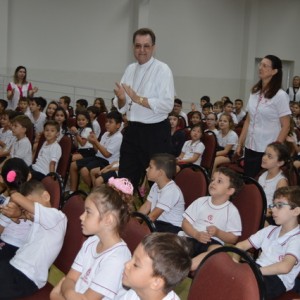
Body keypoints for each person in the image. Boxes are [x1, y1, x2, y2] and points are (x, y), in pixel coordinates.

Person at [50, 178, 133, 300]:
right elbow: (70, 279)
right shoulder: (92, 241)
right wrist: (69, 294)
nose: (81, 217)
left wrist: (57, 296)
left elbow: (71, 287)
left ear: (108, 220)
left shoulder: (117, 259)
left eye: (88, 212)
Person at [113, 27, 174, 189]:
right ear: (133, 47)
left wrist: (138, 99)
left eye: (146, 46)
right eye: (138, 46)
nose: (142, 50)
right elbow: (121, 107)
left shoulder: (163, 70)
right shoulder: (130, 69)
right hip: (133, 131)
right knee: (124, 180)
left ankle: (158, 213)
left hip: (155, 133)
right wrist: (121, 99)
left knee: (160, 183)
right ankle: (124, 212)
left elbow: (167, 105)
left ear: (153, 47)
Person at [0, 176, 67, 298]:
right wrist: (21, 213)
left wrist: (17, 200)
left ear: (46, 196)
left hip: (26, 276)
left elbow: (16, 197)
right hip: (14, 267)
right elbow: (28, 216)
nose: (27, 210)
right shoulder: (38, 220)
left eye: (29, 204)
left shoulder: (57, 217)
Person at [234, 186, 300, 299]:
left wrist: (255, 271)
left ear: (296, 211)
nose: (273, 209)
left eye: (279, 206)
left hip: (277, 279)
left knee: (245, 290)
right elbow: (241, 245)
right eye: (273, 205)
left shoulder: (297, 238)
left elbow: (285, 267)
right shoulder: (270, 230)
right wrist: (234, 264)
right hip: (258, 269)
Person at [236, 55, 291, 178]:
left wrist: (275, 150)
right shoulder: (254, 92)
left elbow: (286, 126)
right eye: (260, 64)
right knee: (249, 181)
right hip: (250, 145)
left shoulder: (280, 95)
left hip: (266, 150)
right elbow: (248, 120)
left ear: (274, 71)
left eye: (265, 66)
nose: (260, 68)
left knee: (261, 184)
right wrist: (240, 143)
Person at [178, 167, 243, 270]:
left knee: (218, 250)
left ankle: (188, 266)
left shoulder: (232, 211)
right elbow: (185, 223)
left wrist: (218, 233)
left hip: (212, 242)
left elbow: (233, 238)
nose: (213, 183)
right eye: (213, 179)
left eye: (219, 181)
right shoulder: (201, 201)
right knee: (172, 243)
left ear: (230, 190)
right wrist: (196, 234)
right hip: (191, 237)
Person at [119, 232, 191, 300]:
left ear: (156, 282)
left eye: (136, 265)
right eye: (132, 257)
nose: (126, 264)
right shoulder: (136, 292)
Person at [69, 111, 123, 193]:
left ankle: (95, 190)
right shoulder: (105, 134)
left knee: (84, 171)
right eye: (106, 121)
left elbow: (107, 154)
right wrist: (93, 142)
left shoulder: (118, 137)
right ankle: (72, 191)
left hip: (107, 162)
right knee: (73, 165)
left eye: (110, 122)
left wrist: (95, 142)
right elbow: (97, 150)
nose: (107, 124)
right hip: (98, 158)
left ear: (118, 125)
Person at [138, 153, 185, 233]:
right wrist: (133, 220)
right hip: (159, 224)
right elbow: (146, 206)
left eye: (150, 167)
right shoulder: (156, 185)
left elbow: (153, 216)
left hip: (172, 229)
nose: (146, 169)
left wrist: (138, 230)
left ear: (160, 173)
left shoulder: (171, 191)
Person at [0, 158, 32, 261]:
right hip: (26, 248)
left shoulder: (10, 203)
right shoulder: (34, 200)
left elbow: (0, 229)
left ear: (2, 179)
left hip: (9, 246)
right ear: (29, 176)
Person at [258, 142, 290, 224]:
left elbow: (279, 207)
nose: (264, 158)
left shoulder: (281, 182)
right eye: (265, 154)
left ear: (280, 163)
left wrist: (259, 213)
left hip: (271, 216)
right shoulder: (263, 174)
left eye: (269, 156)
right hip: (259, 210)